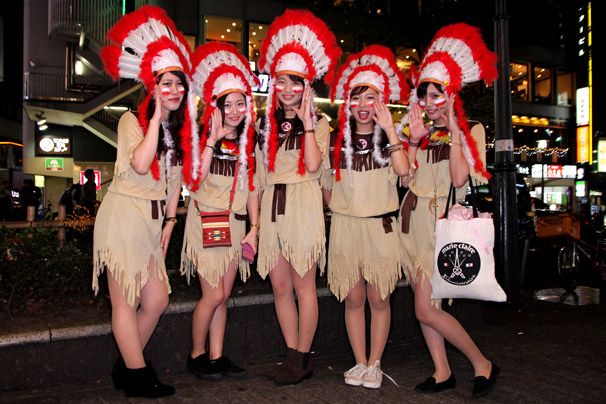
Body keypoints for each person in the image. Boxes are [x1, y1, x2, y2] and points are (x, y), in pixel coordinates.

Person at [93, 6, 200, 398]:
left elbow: (174, 186)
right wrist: (155, 118)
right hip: (123, 216)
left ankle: (127, 366)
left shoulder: (180, 133)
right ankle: (137, 375)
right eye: (166, 84)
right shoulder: (131, 122)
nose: (174, 91)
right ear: (152, 87)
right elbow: (140, 164)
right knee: (126, 299)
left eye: (179, 85)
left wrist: (170, 224)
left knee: (157, 298)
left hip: (152, 224)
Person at [397, 23, 499, 398]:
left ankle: (482, 363)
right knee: (425, 304)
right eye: (424, 95)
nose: (429, 102)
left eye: (436, 94)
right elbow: (405, 179)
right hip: (412, 223)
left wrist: (454, 131)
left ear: (450, 94)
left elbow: (459, 179)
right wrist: (412, 140)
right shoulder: (420, 132)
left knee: (425, 308)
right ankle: (442, 371)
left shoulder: (472, 130)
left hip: (442, 228)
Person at [256, 9, 341, 385]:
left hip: (303, 206)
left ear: (307, 86)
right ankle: (292, 354)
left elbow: (311, 166)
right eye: (280, 82)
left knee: (305, 287)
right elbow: (259, 173)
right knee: (280, 287)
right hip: (272, 208)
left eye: (294, 83)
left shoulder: (319, 124)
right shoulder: (264, 122)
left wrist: (307, 121)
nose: (286, 89)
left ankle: (303, 356)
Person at [323, 46, 409, 389]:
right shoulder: (335, 140)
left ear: (381, 103)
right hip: (345, 227)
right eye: (357, 98)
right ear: (348, 103)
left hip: (381, 226)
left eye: (370, 98)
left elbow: (404, 175)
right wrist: (340, 210)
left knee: (379, 297)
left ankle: (375, 363)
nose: (363, 106)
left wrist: (390, 131)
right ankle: (359, 362)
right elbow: (325, 186)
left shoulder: (390, 138)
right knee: (354, 297)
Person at [182, 42, 259, 381]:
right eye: (227, 104)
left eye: (239, 102)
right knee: (212, 293)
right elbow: (194, 180)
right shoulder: (200, 136)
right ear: (216, 106)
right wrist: (212, 138)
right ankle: (197, 354)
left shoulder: (250, 140)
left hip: (236, 223)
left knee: (224, 295)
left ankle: (217, 356)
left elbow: (253, 186)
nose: (234, 109)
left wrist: (255, 227)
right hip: (209, 218)